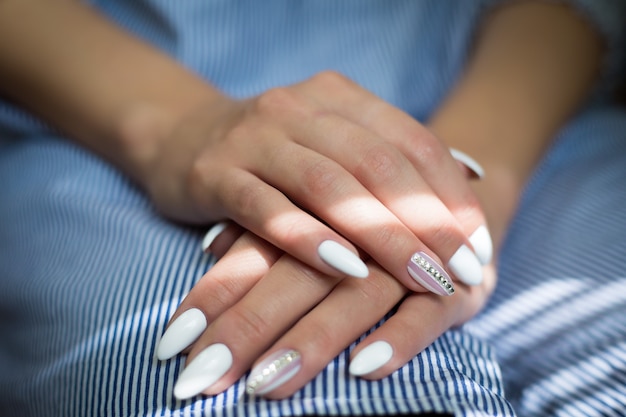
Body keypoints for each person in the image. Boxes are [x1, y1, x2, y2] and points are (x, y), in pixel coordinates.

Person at [0, 0, 624, 416]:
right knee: (316, 384)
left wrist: (459, 177)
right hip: (98, 130)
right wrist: (173, 125)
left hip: (518, 117)